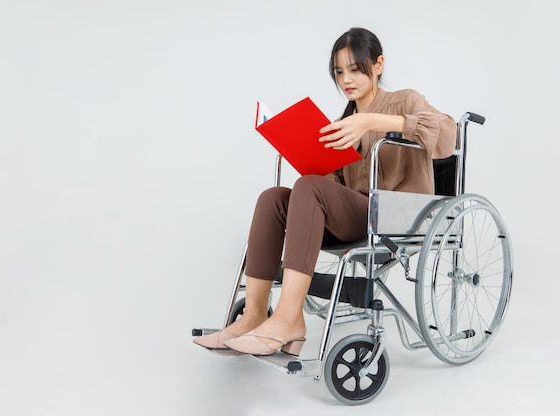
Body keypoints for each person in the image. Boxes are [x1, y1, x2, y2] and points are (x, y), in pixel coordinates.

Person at [193, 27, 456, 356]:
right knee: (273, 199)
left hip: (396, 213)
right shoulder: (340, 123)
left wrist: (373, 122)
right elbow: (331, 186)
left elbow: (448, 134)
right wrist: (309, 156)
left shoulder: (404, 100)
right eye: (339, 72)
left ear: (378, 65)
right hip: (359, 214)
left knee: (309, 188)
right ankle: (254, 315)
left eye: (356, 69)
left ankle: (290, 319)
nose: (347, 79)